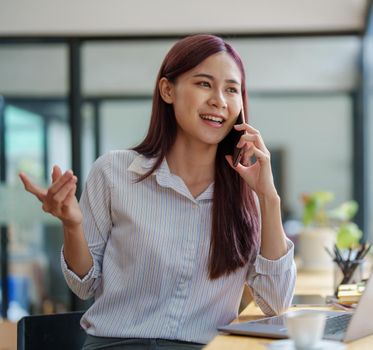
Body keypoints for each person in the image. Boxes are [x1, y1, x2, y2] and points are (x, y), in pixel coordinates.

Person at [19, 34, 296, 349]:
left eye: (231, 89)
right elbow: (84, 284)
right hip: (117, 344)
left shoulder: (247, 193)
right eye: (204, 84)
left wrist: (268, 198)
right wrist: (72, 225)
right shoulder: (114, 172)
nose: (219, 100)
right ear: (168, 90)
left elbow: (276, 304)